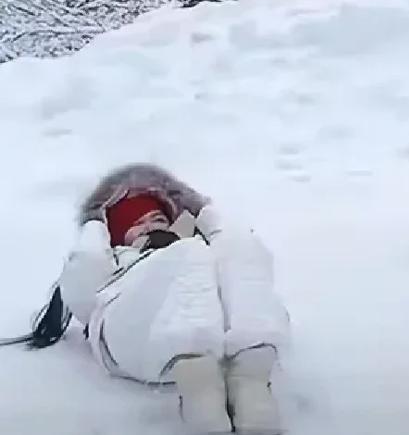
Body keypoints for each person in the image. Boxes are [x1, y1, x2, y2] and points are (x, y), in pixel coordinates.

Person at [55, 164, 290, 434]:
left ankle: (251, 378)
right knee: (188, 253)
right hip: (131, 340)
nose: (150, 226)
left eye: (157, 219)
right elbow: (83, 275)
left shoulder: (202, 252)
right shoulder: (115, 261)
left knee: (239, 247)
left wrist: (199, 209)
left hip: (221, 349)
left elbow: (239, 242)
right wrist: (95, 221)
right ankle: (199, 393)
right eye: (137, 223)